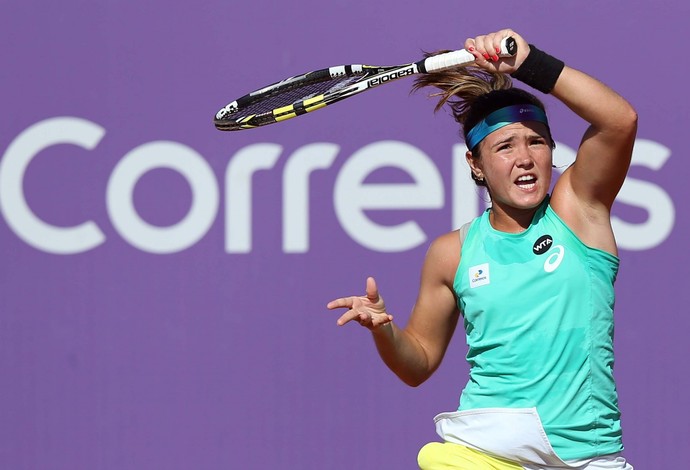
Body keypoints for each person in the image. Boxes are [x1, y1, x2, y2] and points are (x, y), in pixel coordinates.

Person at [326, 28, 637, 469]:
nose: (525, 157)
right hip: (486, 454)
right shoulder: (452, 252)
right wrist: (384, 330)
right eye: (505, 146)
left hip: (590, 458)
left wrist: (529, 64)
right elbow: (418, 363)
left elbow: (619, 120)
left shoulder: (578, 211)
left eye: (536, 141)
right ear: (475, 164)